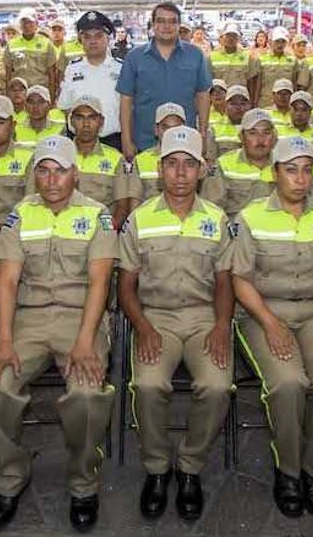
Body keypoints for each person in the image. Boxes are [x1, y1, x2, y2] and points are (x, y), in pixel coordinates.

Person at [0, 135, 117, 532]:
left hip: (81, 318)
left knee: (86, 395)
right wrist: (3, 341)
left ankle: (83, 482)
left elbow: (99, 282)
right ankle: (9, 474)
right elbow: (7, 281)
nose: (52, 180)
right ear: (34, 174)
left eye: (60, 171)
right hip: (29, 320)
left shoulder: (97, 215)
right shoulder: (20, 215)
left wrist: (86, 342)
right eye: (43, 170)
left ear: (76, 174)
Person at [228, 135, 313, 518]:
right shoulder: (250, 217)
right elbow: (240, 280)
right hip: (263, 312)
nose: (300, 179)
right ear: (275, 173)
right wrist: (270, 323)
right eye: (291, 170)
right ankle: (288, 469)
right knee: (289, 383)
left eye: (306, 170)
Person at [119, 126, 234, 522]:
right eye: (172, 164)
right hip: (156, 318)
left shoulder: (217, 219)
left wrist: (222, 325)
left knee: (217, 386)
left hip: (204, 318)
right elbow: (126, 286)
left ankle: (189, 466)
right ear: (159, 169)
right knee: (148, 385)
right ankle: (156, 468)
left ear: (201, 170)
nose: (181, 173)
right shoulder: (139, 220)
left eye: (189, 164)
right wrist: (143, 327)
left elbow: (224, 281)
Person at [117, 2, 212, 158]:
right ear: (153, 25)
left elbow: (203, 96)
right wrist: (126, 140)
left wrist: (202, 135)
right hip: (145, 142)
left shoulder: (195, 55)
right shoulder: (134, 57)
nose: (166, 26)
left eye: (172, 21)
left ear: (179, 25)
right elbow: (126, 100)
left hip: (185, 142)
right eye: (161, 21)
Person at [66, 94, 134, 230]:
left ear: (101, 121)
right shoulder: (61, 156)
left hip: (102, 229)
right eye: (80, 118)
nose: (86, 124)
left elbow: (122, 208)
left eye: (92, 118)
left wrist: (105, 233)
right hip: (64, 230)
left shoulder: (115, 158)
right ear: (71, 121)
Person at [59, 10, 124, 150]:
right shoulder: (72, 69)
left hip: (114, 141)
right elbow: (66, 107)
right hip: (79, 144)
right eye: (87, 37)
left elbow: (129, 109)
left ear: (108, 39)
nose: (93, 41)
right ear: (80, 40)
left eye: (99, 36)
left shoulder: (121, 69)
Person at [201, 108, 277, 217]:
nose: (260, 139)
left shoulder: (284, 164)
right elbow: (212, 209)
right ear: (241, 137)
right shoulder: (224, 164)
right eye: (253, 133)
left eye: (267, 133)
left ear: (273, 137)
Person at [125, 102, 187, 207]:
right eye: (165, 127)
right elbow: (135, 205)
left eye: (176, 128)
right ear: (156, 130)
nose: (170, 133)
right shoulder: (141, 161)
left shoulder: (195, 160)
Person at [4, 7, 58, 96]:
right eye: (24, 22)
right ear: (20, 24)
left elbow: (52, 74)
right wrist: (8, 95)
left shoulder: (46, 44)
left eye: (30, 22)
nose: (27, 25)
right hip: (19, 91)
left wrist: (51, 96)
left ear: (36, 23)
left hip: (41, 91)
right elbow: (8, 74)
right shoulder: (11, 45)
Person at [206, 84, 255, 162]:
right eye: (233, 104)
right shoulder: (214, 128)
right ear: (225, 105)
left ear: (249, 105)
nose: (238, 107)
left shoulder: (259, 129)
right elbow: (211, 162)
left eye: (243, 103)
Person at [256, 27, 299, 107]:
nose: (280, 44)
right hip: (266, 103)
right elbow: (257, 84)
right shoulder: (262, 59)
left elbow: (294, 84)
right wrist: (255, 103)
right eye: (277, 41)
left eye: (283, 41)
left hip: (286, 104)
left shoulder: (292, 60)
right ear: (270, 42)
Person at [209, 23, 259, 91]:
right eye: (228, 35)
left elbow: (251, 81)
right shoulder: (212, 56)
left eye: (234, 36)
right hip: (219, 96)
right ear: (222, 37)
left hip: (240, 96)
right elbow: (208, 81)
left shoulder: (247, 56)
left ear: (239, 38)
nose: (231, 38)